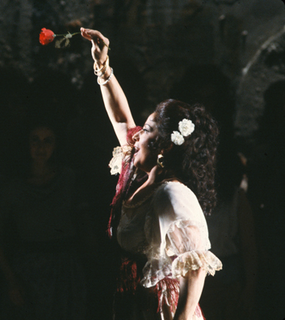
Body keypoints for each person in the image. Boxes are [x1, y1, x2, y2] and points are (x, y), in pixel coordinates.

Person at [80, 28, 222, 320]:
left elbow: (195, 268)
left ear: (164, 147)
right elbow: (121, 120)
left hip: (161, 310)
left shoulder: (172, 193)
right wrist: (102, 67)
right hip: (131, 303)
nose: (135, 136)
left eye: (145, 130)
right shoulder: (135, 171)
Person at [0, 121, 88, 320]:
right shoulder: (13, 187)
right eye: (35, 140)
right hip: (29, 270)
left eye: (47, 141)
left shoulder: (68, 178)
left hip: (65, 269)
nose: (41, 147)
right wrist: (12, 281)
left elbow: (84, 224)